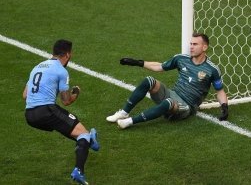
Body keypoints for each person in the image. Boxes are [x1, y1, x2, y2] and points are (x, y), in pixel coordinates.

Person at [106, 33, 229, 129]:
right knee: (149, 81)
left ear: (205, 47)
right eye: (191, 44)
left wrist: (224, 107)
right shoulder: (181, 59)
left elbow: (220, 91)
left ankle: (130, 122)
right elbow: (159, 67)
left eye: (195, 44)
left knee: (169, 102)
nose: (191, 47)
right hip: (173, 94)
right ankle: (124, 113)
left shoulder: (212, 69)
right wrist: (137, 63)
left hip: (187, 106)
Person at [23, 39, 99, 185]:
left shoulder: (36, 67)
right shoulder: (61, 70)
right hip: (46, 110)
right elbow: (66, 101)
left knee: (72, 127)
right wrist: (76, 92)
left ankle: (88, 141)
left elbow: (25, 95)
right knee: (82, 134)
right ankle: (79, 170)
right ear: (68, 54)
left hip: (30, 116)